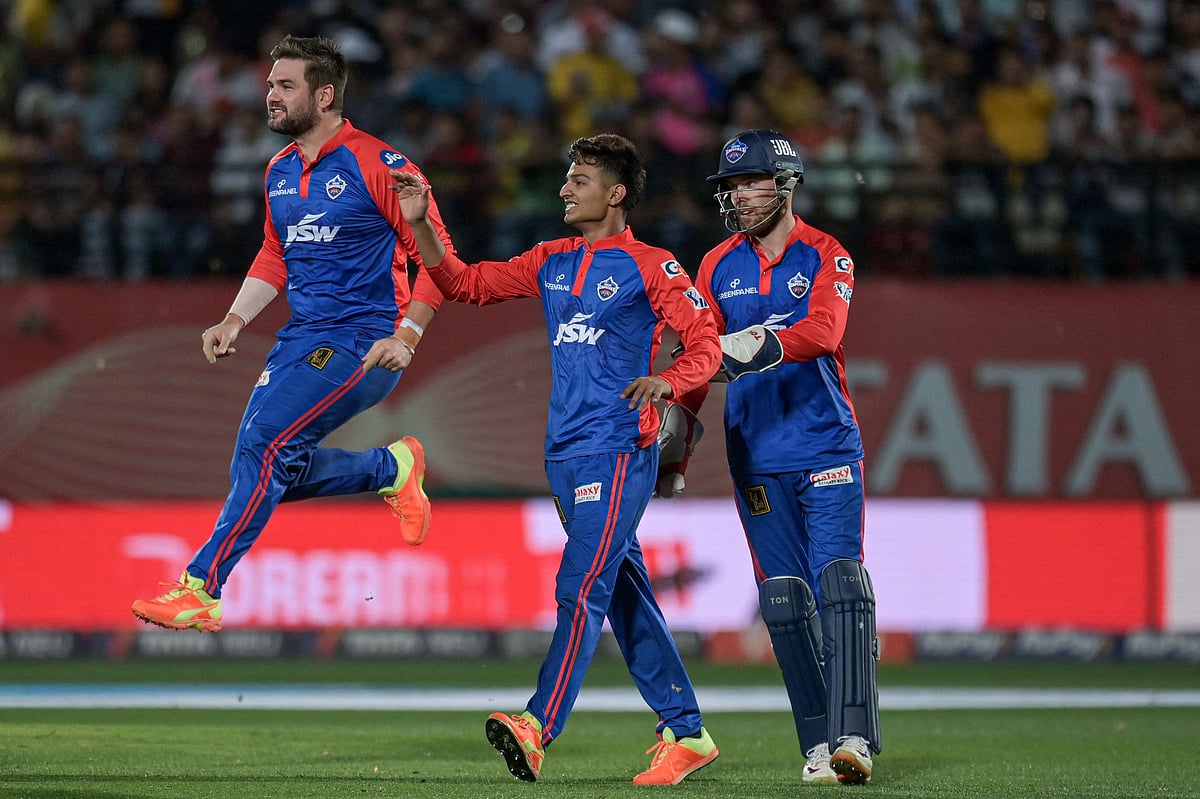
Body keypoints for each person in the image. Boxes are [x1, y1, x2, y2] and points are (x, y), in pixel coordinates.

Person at [391, 133, 721, 786]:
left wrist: (670, 381)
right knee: (622, 592)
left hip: (619, 448)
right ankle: (686, 732)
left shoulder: (654, 266)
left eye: (580, 179)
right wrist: (424, 224)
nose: (565, 188)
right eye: (568, 177)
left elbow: (706, 341)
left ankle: (537, 726)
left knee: (580, 585)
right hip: (565, 453)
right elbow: (462, 282)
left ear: (616, 194)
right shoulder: (551, 259)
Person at [132, 34, 454, 632]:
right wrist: (234, 318)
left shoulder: (381, 165)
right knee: (261, 462)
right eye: (270, 84)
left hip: (364, 340)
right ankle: (390, 469)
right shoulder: (279, 169)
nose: (271, 95)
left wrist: (406, 337)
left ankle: (202, 588)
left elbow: (441, 264)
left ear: (324, 95)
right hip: (301, 338)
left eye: (285, 85)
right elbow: (275, 252)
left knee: (265, 446)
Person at [662, 129, 882, 784]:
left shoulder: (826, 254)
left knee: (840, 584)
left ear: (786, 185)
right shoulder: (714, 265)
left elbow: (825, 331)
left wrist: (749, 343)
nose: (739, 195)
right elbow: (699, 359)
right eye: (731, 186)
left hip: (825, 443)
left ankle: (854, 738)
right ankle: (818, 746)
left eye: (752, 182)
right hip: (755, 455)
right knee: (783, 601)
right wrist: (677, 442)